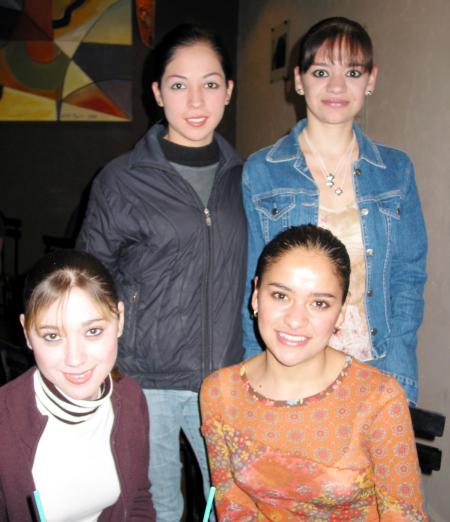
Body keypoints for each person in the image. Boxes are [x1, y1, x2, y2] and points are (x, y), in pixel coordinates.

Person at [76, 24, 246, 521]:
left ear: (229, 91)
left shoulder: (248, 178)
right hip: (145, 380)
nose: (196, 100)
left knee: (230, 507)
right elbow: (89, 282)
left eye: (211, 83)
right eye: (178, 84)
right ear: (157, 93)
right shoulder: (120, 180)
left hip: (225, 383)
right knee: (159, 509)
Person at [242, 17, 427, 405]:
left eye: (353, 72)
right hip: (290, 366)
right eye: (321, 71)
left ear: (371, 79)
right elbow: (251, 283)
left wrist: (399, 371)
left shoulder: (396, 171)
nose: (337, 86)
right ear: (298, 79)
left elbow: (407, 278)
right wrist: (253, 376)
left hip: (373, 365)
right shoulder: (262, 170)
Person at [201, 224, 427, 521]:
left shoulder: (377, 398)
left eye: (319, 303)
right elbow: (232, 502)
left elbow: (405, 515)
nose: (295, 320)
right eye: (281, 296)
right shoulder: (219, 392)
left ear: (341, 313)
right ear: (256, 296)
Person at [0, 249, 155, 521]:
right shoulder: (5, 423)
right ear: (26, 333)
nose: (75, 359)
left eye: (93, 331)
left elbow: (138, 498)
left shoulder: (131, 399)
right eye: (52, 336)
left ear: (119, 319)